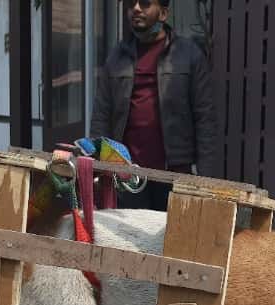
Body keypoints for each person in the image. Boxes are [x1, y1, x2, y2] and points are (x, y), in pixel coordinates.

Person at [90, 0, 221, 210]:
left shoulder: (189, 55)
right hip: (127, 176)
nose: (136, 8)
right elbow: (101, 116)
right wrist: (97, 167)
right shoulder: (117, 57)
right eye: (131, 3)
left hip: (174, 175)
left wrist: (205, 180)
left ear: (163, 14)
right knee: (127, 242)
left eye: (145, 3)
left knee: (174, 238)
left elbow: (205, 119)